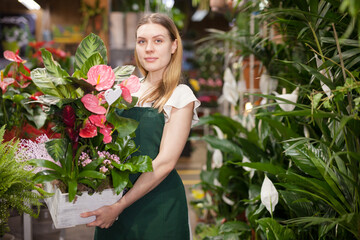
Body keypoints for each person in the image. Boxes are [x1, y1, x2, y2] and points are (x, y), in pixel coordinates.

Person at [80, 13, 200, 240]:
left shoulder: (180, 95)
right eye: (142, 41)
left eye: (158, 41)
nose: (149, 49)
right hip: (112, 202)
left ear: (174, 45)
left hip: (157, 207)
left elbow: (164, 163)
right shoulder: (124, 90)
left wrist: (120, 205)